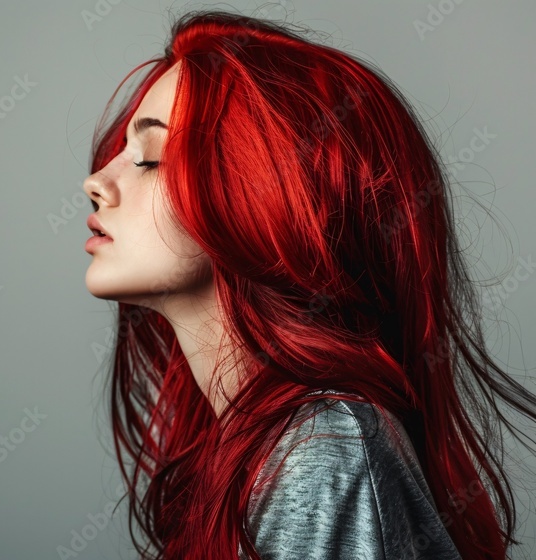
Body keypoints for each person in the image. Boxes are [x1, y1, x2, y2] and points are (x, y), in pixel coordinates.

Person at [81, 8, 536, 559]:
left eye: (149, 158)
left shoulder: (326, 445)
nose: (97, 183)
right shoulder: (266, 448)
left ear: (265, 194)